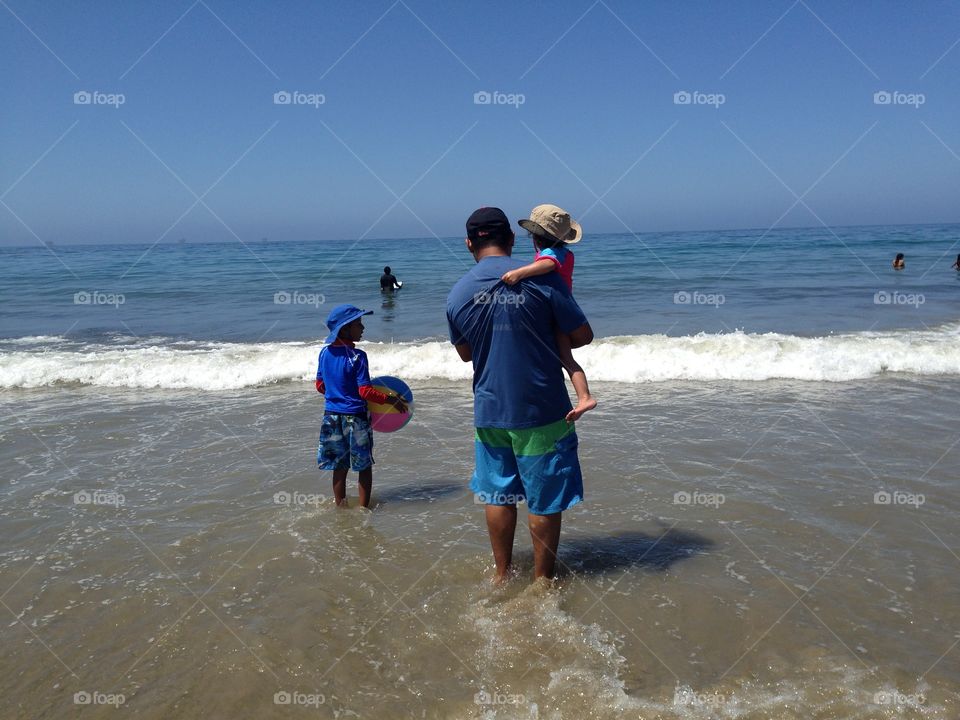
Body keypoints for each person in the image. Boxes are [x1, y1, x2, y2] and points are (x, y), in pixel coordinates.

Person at [447, 207, 593, 583]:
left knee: (498, 496)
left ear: (468, 244)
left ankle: (502, 574)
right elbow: (583, 336)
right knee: (542, 499)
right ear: (512, 240)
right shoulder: (546, 279)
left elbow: (466, 354)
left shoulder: (459, 293)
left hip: (490, 409)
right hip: (542, 409)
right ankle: (542, 581)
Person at [501, 204, 596, 421]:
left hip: (556, 312)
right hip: (562, 309)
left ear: (535, 237)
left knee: (565, 357)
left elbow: (547, 265)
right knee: (565, 358)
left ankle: (585, 396)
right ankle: (584, 397)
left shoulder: (551, 255)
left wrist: (519, 273)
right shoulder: (565, 252)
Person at [315, 304, 407, 507]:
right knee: (363, 466)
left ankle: (341, 507)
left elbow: (320, 385)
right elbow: (364, 392)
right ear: (346, 329)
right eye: (359, 324)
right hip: (355, 418)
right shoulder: (358, 356)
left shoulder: (324, 353)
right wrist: (392, 400)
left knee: (339, 466)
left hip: (331, 416)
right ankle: (364, 510)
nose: (363, 328)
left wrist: (337, 394)